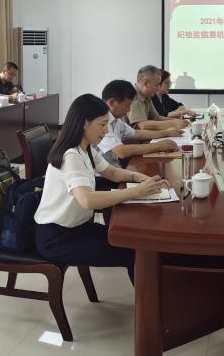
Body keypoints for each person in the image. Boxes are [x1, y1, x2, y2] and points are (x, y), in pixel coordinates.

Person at [34, 94, 168, 281]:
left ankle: (153, 296)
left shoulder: (85, 148)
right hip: (57, 238)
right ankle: (150, 299)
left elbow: (111, 172)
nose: (106, 130)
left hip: (77, 228)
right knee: (132, 253)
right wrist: (136, 191)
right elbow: (87, 200)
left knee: (133, 243)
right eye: (102, 124)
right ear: (84, 123)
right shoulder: (70, 155)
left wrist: (138, 177)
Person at [98, 79, 181, 167]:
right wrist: (159, 146)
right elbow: (122, 152)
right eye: (126, 105)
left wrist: (167, 133)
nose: (128, 110)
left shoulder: (115, 120)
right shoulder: (101, 121)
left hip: (114, 168)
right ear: (112, 102)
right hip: (104, 173)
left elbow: (136, 133)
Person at [127, 65, 188, 131]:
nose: (158, 88)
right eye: (156, 85)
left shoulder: (147, 95)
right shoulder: (133, 97)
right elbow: (143, 126)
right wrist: (173, 123)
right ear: (146, 83)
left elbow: (156, 118)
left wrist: (179, 121)